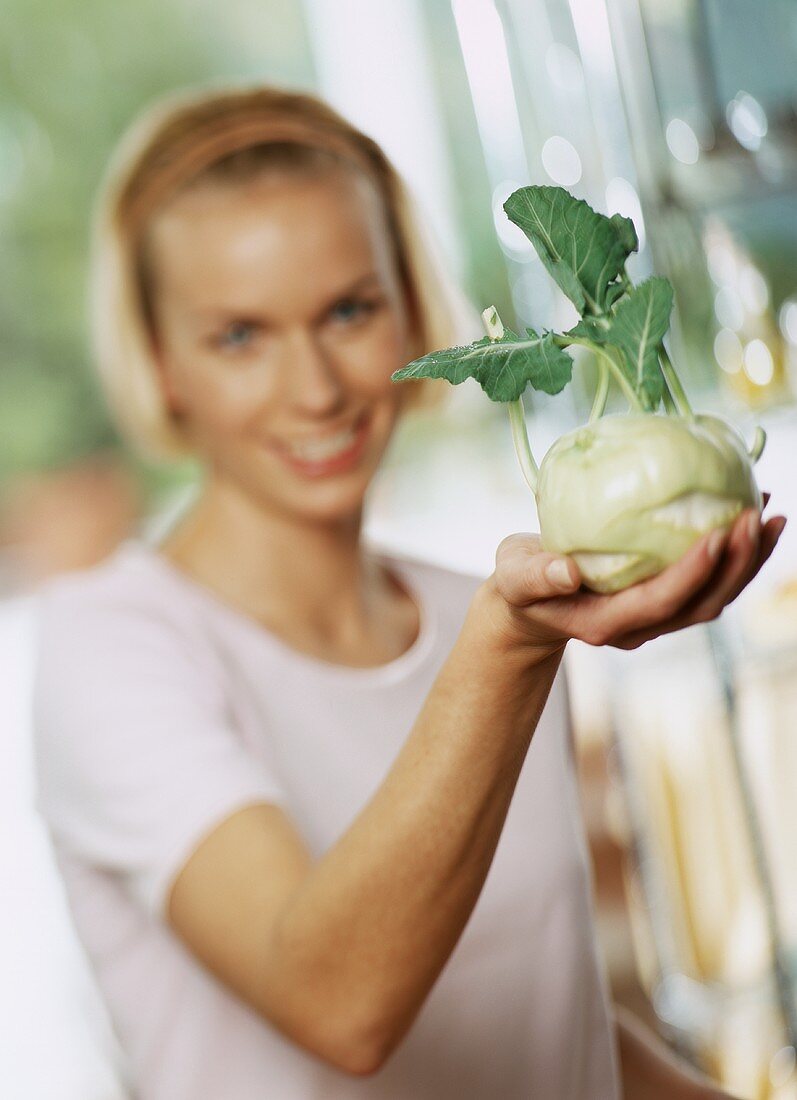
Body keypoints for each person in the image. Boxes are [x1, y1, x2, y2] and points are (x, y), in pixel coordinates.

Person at [32, 84, 783, 1100]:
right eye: (240, 336)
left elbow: (542, 1029)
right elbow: (337, 1001)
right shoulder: (111, 644)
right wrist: (510, 648)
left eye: (347, 309)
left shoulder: (482, 609)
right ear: (161, 363)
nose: (314, 387)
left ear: (409, 306)